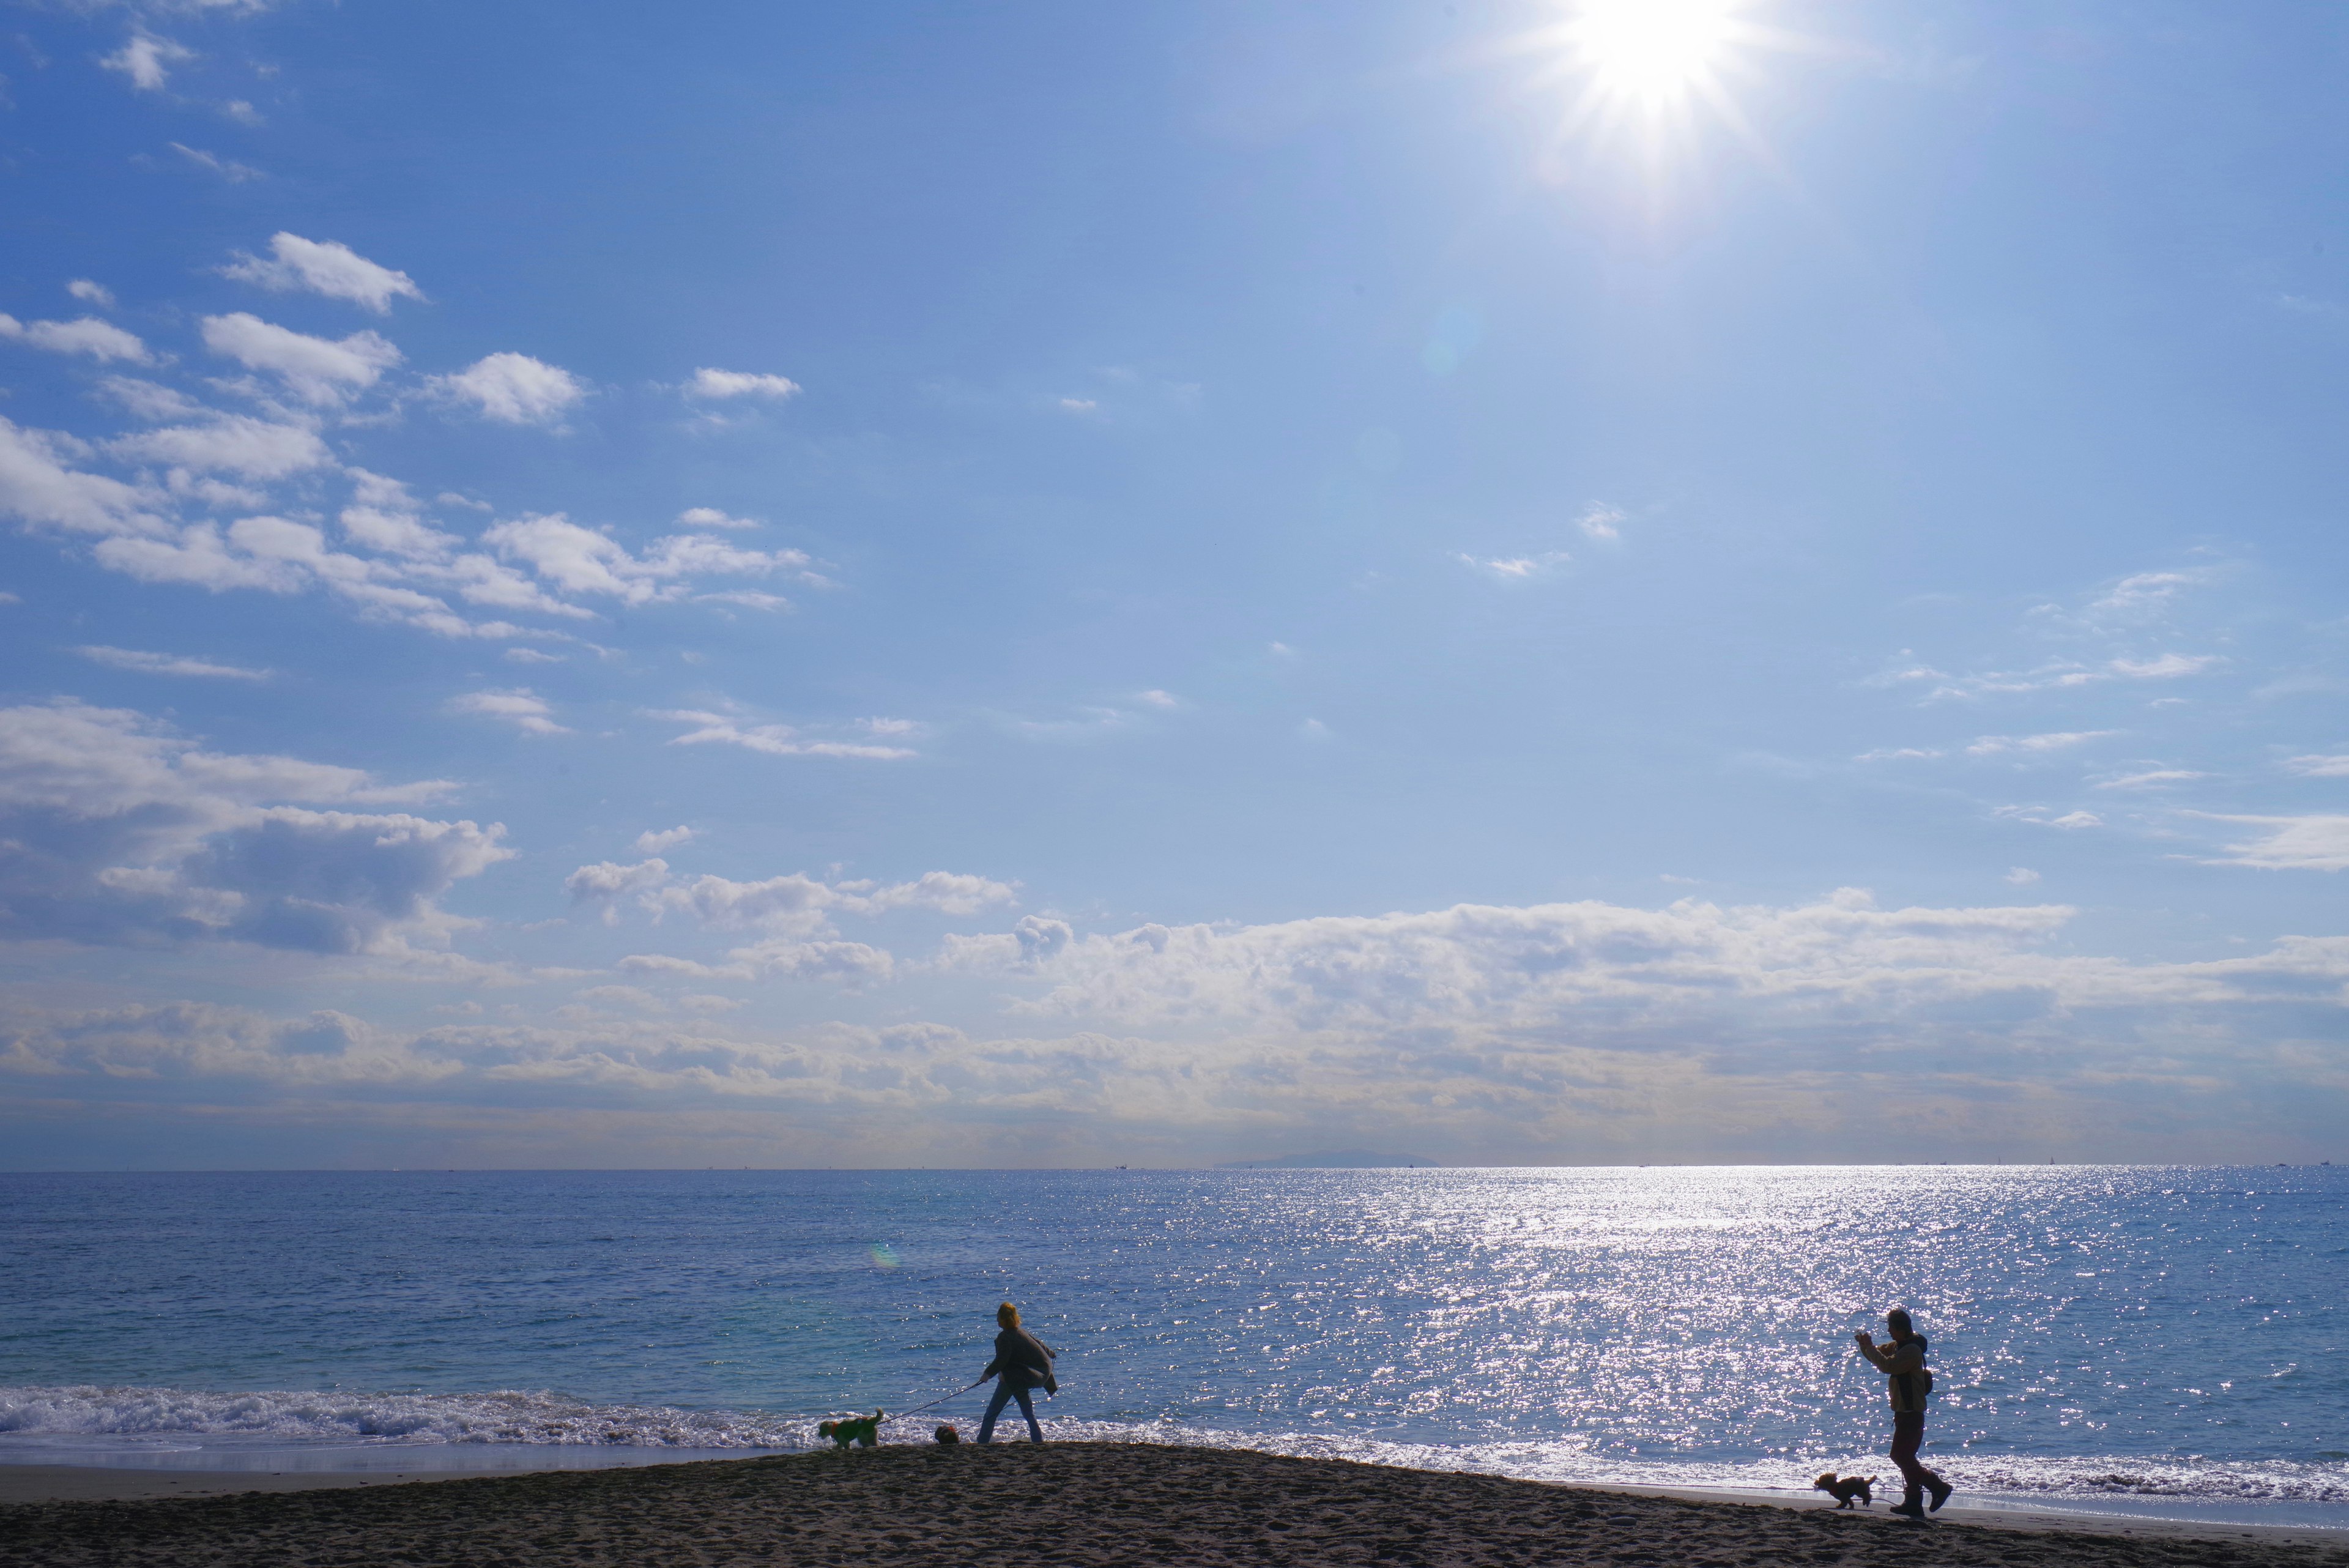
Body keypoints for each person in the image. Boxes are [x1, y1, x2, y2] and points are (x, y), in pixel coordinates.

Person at [1854, 1307, 1952, 1520]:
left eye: (1891, 1327)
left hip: (1912, 1411)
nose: (1889, 1331)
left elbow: (1888, 1366)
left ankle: (1938, 1487)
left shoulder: (1911, 1351)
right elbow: (1878, 1355)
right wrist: (1865, 1346)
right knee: (1906, 1457)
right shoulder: (1900, 1345)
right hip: (1904, 1411)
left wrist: (1869, 1347)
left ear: (1900, 1329)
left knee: (1900, 1456)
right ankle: (1913, 1503)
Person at [976, 1301, 1057, 1444]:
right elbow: (1039, 1344)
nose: (997, 1320)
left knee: (991, 1413)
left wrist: (986, 1375)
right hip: (1034, 1375)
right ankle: (1038, 1441)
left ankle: (982, 1442)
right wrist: (1051, 1353)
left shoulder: (1005, 1337)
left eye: (998, 1317)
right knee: (1028, 1412)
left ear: (1004, 1319)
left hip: (1023, 1377)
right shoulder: (1021, 1332)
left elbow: (1002, 1360)